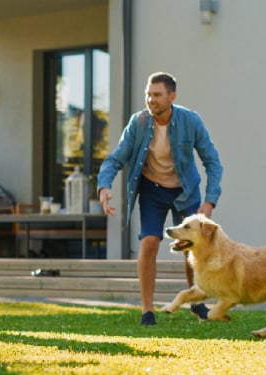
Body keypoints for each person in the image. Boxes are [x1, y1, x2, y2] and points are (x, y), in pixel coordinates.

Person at [96, 72, 223, 326]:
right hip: (152, 189)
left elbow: (213, 162)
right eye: (148, 94)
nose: (151, 100)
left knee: (193, 247)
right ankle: (147, 310)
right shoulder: (139, 123)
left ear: (171, 97)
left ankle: (196, 302)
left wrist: (209, 201)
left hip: (185, 190)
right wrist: (104, 186)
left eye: (157, 95)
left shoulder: (190, 120)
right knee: (150, 242)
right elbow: (115, 158)